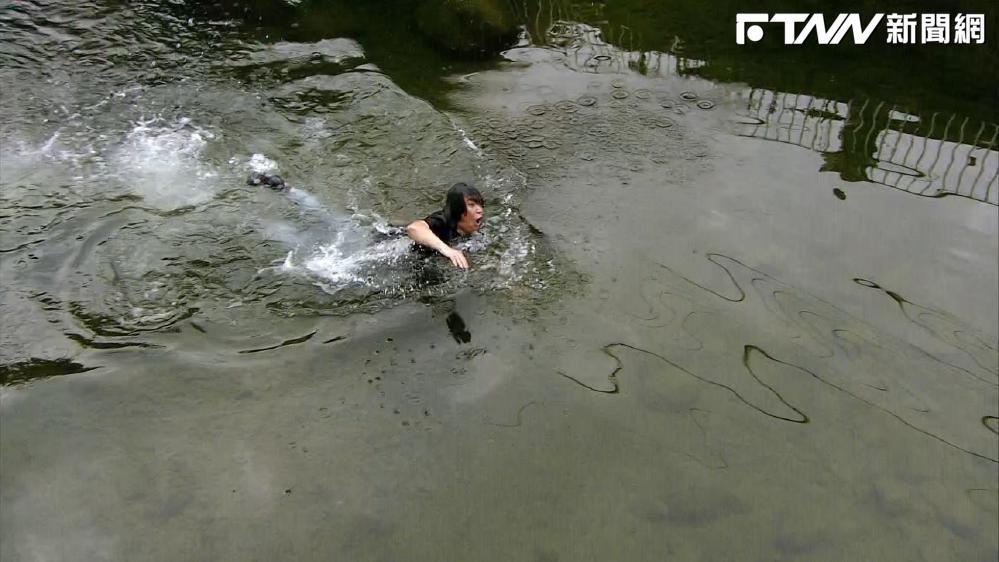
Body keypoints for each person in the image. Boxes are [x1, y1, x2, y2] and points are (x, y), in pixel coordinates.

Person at [407, 182, 485, 269]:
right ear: (457, 208)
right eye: (471, 205)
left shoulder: (477, 230)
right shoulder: (441, 221)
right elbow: (413, 228)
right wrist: (447, 250)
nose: (480, 210)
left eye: (480, 205)